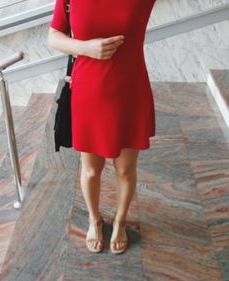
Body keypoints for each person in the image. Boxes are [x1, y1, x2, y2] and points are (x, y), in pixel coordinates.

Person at [47, 0, 156, 254]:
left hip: (129, 90)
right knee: (91, 170)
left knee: (126, 169)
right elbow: (54, 36)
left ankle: (120, 222)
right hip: (89, 93)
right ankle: (94, 220)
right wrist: (85, 48)